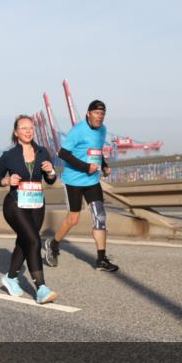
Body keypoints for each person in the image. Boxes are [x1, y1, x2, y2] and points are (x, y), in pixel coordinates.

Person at [44, 100, 119, 272]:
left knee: (100, 217)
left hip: (92, 181)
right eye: (97, 113)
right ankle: (53, 244)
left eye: (102, 114)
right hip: (73, 182)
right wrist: (86, 167)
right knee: (73, 219)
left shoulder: (103, 130)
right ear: (88, 113)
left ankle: (101, 260)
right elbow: (62, 153)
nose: (100, 117)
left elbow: (97, 151)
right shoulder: (78, 130)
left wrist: (105, 165)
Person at [0, 116, 59, 304]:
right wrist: (7, 181)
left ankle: (10, 277)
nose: (28, 131)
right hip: (15, 204)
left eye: (31, 127)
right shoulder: (9, 155)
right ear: (16, 132)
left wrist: (51, 171)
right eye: (24, 128)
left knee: (26, 241)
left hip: (36, 204)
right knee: (35, 240)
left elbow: (51, 180)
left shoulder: (42, 151)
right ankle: (41, 288)